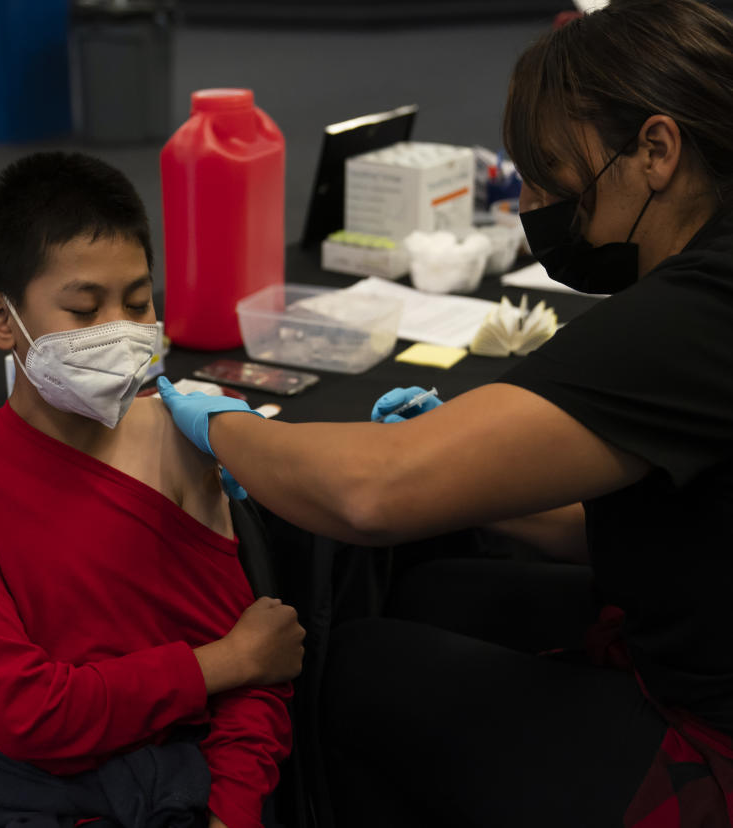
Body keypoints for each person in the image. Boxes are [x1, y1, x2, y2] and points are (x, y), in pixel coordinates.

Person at [156, 1, 733, 824]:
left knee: (356, 667)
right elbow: (660, 516)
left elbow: (370, 495)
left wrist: (224, 426)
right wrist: (491, 480)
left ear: (657, 149)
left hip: (713, 743)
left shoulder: (695, 313)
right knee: (438, 595)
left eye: (551, 174)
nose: (533, 203)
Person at [0, 152, 303, 828]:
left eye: (139, 303)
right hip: (31, 794)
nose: (119, 330)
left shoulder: (177, 440)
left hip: (186, 782)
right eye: (85, 310)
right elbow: (25, 714)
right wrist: (221, 662)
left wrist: (230, 812)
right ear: (2, 320)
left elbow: (260, 680)